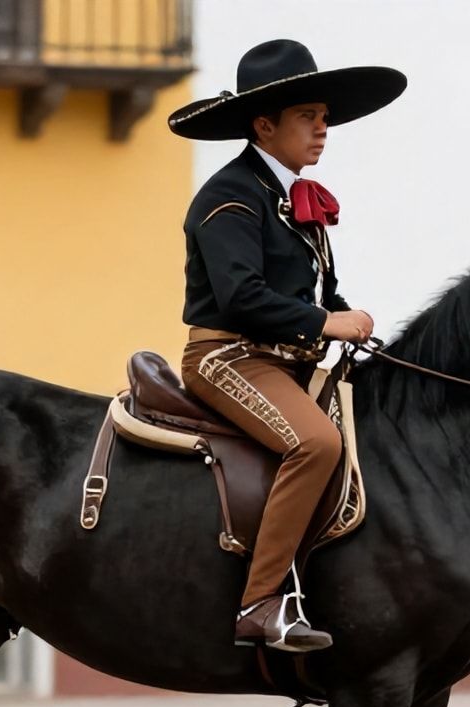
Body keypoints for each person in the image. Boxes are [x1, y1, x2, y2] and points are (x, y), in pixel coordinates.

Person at [166, 38, 404, 652]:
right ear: (264, 125)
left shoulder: (291, 198)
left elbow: (315, 292)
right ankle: (261, 602)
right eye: (307, 117)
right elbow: (243, 298)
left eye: (324, 117)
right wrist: (326, 324)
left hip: (286, 360)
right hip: (228, 358)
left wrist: (345, 314)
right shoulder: (228, 196)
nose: (323, 129)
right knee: (316, 442)